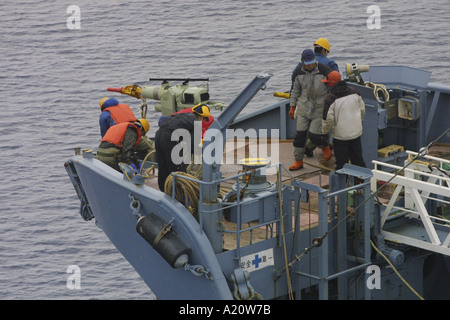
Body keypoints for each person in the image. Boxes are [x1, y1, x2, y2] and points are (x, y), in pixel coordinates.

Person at [288, 49, 332, 171]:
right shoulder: (298, 72)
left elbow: (332, 88)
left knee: (314, 135)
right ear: (302, 62)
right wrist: (292, 107)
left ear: (315, 60)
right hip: (303, 107)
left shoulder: (324, 70)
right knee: (300, 136)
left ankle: (324, 146)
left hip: (319, 108)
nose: (310, 65)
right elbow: (295, 90)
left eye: (312, 63)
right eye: (307, 63)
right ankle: (298, 161)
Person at [155, 103, 210, 191]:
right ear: (201, 117)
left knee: (163, 166)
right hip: (170, 139)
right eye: (204, 119)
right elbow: (193, 147)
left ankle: (164, 190)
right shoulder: (196, 123)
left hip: (158, 135)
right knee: (178, 168)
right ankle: (179, 194)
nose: (203, 122)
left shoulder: (183, 116)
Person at [322, 78, 366, 171]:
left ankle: (342, 183)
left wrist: (324, 133)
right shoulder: (355, 92)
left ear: (331, 84)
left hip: (340, 137)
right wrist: (359, 122)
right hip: (356, 133)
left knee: (341, 163)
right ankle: (361, 182)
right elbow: (362, 110)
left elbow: (328, 119)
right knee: (358, 160)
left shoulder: (330, 98)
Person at [98, 97, 156, 161]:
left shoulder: (104, 115)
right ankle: (153, 166)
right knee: (149, 146)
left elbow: (105, 135)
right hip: (134, 135)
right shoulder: (125, 107)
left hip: (120, 140)